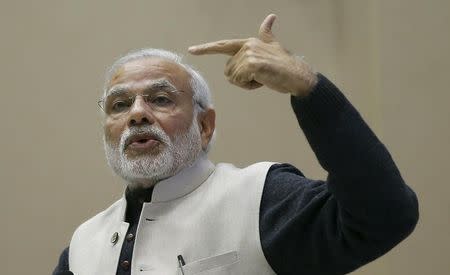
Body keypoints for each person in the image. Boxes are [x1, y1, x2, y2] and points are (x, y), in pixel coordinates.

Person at [53, 14, 418, 275]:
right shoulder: (84, 246)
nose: (137, 114)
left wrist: (307, 87)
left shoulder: (261, 199)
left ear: (205, 125)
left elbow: (385, 217)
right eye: (120, 105)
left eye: (160, 99)